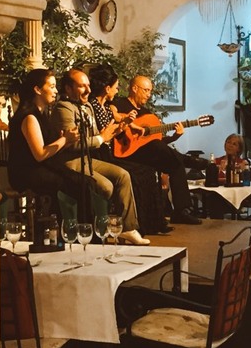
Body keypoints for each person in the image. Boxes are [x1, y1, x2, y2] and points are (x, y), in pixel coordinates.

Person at [51, 68, 150, 245]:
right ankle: (99, 230)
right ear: (68, 88)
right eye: (82, 87)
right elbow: (71, 144)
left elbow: (98, 137)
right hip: (70, 161)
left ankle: (128, 228)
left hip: (88, 159)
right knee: (105, 187)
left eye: (88, 85)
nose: (88, 90)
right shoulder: (63, 108)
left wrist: (114, 132)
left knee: (123, 175)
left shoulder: (87, 106)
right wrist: (100, 138)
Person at [88, 65, 171, 234]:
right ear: (107, 88)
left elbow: (118, 121)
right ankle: (134, 226)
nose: (118, 90)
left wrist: (129, 124)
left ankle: (152, 223)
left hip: (109, 151)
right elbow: (105, 134)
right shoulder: (94, 106)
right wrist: (122, 126)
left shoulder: (105, 105)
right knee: (136, 174)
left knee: (147, 170)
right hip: (101, 154)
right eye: (116, 87)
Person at [112, 75, 203, 225]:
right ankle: (187, 160)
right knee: (164, 152)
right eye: (146, 90)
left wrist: (174, 137)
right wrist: (127, 121)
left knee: (173, 162)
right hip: (125, 151)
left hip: (148, 152)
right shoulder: (120, 103)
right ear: (134, 88)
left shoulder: (148, 114)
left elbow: (157, 140)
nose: (148, 94)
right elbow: (112, 114)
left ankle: (181, 211)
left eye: (150, 91)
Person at [6, 68, 82, 207]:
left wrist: (67, 141)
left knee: (82, 181)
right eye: (52, 86)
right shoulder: (29, 117)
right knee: (73, 184)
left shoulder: (42, 115)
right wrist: (64, 139)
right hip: (27, 173)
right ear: (38, 90)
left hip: (41, 167)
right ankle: (66, 224)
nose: (56, 91)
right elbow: (40, 154)